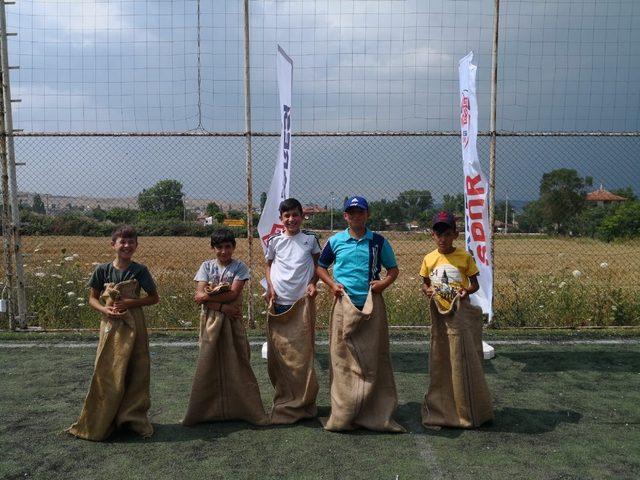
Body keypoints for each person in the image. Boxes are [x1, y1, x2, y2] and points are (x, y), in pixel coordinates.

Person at [316, 196, 405, 432]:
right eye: (351, 213)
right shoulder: (335, 241)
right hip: (343, 306)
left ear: (367, 215)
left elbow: (393, 270)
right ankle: (344, 412)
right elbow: (321, 266)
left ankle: (374, 412)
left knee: (372, 357)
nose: (356, 216)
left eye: (361, 212)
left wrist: (383, 284)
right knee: (342, 358)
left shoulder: (378, 241)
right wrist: (331, 285)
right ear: (345, 216)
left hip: (371, 305)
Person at [68, 225, 159, 441]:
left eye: (131, 242)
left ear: (136, 245)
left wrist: (130, 302)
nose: (127, 246)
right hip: (109, 325)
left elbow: (154, 297)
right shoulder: (101, 270)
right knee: (108, 369)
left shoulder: (140, 271)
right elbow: (92, 298)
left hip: (134, 325)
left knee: (136, 370)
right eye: (122, 242)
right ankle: (103, 419)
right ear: (113, 245)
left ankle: (131, 419)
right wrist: (104, 309)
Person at [182, 228, 267, 426]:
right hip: (211, 320)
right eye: (219, 247)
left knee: (238, 360)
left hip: (232, 321)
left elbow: (233, 294)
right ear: (213, 248)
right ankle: (206, 410)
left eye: (228, 247)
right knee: (208, 361)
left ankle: (244, 408)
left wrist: (208, 297)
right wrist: (221, 307)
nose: (224, 251)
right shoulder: (206, 266)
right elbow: (198, 296)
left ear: (233, 247)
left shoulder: (240, 267)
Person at [420, 211, 493, 429]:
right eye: (438, 234)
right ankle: (442, 407)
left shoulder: (464, 257)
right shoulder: (429, 258)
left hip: (459, 316)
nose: (442, 239)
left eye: (447, 234)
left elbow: (475, 285)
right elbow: (424, 283)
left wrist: (465, 291)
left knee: (460, 361)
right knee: (441, 360)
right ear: (433, 236)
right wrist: (427, 290)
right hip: (439, 318)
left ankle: (467, 408)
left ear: (455, 235)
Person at [264, 198, 321, 424]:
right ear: (281, 219)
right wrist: (270, 286)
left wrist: (314, 283)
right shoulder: (274, 241)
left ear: (302, 216)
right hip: (279, 304)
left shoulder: (310, 240)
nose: (291, 219)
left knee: (303, 355)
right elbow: (268, 265)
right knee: (281, 356)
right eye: (286, 216)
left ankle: (305, 402)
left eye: (295, 215)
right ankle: (285, 400)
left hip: (302, 304)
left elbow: (319, 265)